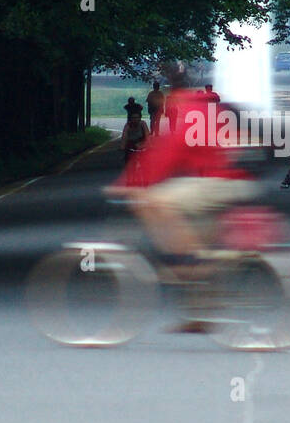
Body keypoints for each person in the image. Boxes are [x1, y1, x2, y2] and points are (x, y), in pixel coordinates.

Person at [108, 89, 257, 293]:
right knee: (205, 240)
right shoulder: (224, 114)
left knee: (155, 201)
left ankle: (188, 260)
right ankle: (199, 318)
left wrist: (130, 186)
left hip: (217, 182)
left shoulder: (195, 115)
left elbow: (169, 153)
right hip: (241, 183)